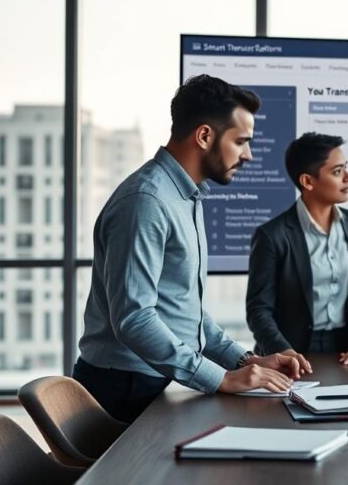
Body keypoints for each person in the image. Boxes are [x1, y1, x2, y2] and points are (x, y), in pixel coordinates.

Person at [74, 75, 311, 423]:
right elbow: (133, 318)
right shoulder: (147, 201)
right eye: (242, 141)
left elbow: (186, 315)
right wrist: (222, 379)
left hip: (156, 382)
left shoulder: (186, 196)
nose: (249, 155)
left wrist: (245, 362)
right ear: (204, 136)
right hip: (123, 391)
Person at [246, 133, 348, 365]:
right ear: (308, 181)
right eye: (337, 172)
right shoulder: (272, 236)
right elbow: (259, 310)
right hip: (290, 354)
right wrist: (282, 351)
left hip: (346, 353)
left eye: (345, 168)